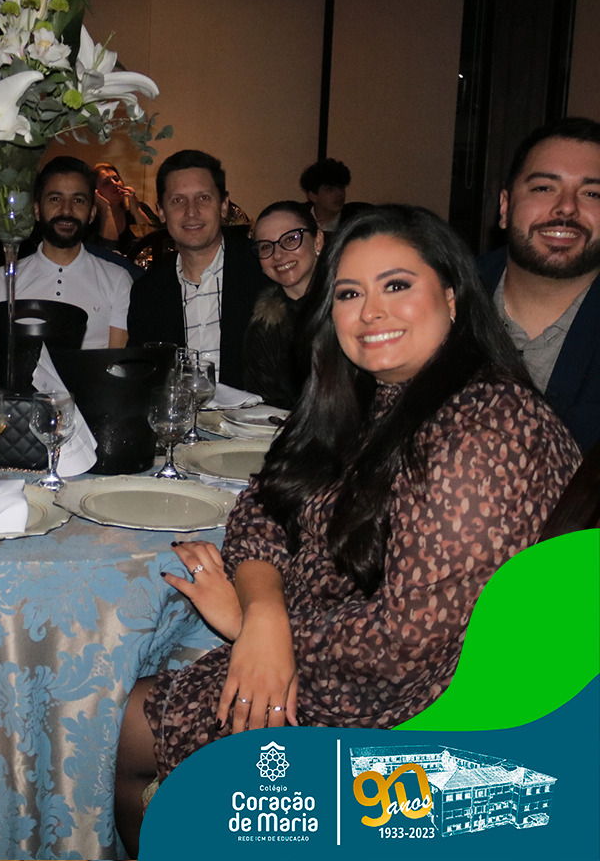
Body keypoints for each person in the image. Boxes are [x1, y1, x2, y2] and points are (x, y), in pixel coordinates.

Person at [113, 205, 580, 857]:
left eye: (397, 285)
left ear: (450, 295)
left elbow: (406, 642)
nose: (370, 312)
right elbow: (265, 501)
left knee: (122, 730)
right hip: (335, 657)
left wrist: (253, 627)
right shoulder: (367, 394)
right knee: (129, 704)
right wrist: (264, 611)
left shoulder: (483, 424)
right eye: (349, 293)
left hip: (414, 726)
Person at [477, 117, 600, 452]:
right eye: (544, 188)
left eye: (592, 193)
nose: (567, 207)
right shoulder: (442, 299)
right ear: (505, 207)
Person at [126, 149, 267, 387]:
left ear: (224, 206)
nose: (191, 211)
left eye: (203, 198)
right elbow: (142, 378)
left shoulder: (262, 270)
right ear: (161, 212)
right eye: (178, 200)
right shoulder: (148, 292)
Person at [0, 156, 132, 349]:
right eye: (55, 199)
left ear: (91, 213)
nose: (66, 210)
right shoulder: (4, 281)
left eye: (78, 200)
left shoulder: (117, 281)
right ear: (36, 210)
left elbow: (116, 361)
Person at [241, 201, 324, 408]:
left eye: (290, 239)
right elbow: (266, 410)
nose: (278, 255)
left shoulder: (352, 308)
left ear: (318, 241)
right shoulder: (264, 328)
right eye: (266, 246)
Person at [91, 160, 159, 253]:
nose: (115, 184)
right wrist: (106, 209)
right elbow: (108, 249)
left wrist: (137, 211)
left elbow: (155, 243)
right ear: (95, 192)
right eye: (106, 182)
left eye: (116, 179)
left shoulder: (139, 208)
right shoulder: (91, 219)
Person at [299, 157, 369, 232]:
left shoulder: (355, 222)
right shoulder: (299, 217)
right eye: (330, 190)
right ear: (312, 196)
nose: (339, 194)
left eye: (341, 188)